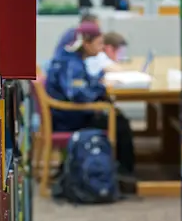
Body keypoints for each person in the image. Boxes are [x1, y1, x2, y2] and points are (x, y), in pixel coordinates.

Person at [45, 21, 136, 179]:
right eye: (99, 43)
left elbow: (82, 84)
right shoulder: (72, 64)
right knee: (120, 123)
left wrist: (98, 80)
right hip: (70, 120)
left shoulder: (71, 59)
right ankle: (124, 174)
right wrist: (100, 90)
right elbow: (77, 94)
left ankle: (121, 170)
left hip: (65, 116)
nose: (102, 48)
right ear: (86, 44)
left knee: (117, 116)